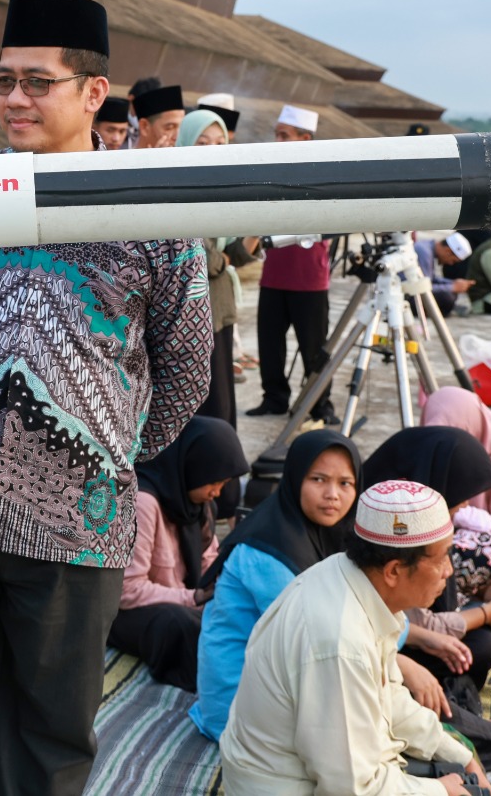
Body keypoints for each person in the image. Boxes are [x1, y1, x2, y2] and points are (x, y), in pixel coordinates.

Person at [0, 0, 212, 796]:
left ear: (94, 94)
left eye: (38, 82)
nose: (15, 99)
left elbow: (188, 364)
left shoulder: (154, 211)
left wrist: (103, 452)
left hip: (80, 532)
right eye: (3, 81)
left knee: (53, 741)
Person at [220, 480, 484, 795]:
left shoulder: (348, 576)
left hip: (306, 770)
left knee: (457, 770)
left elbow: (388, 696)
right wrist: (442, 790)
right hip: (287, 786)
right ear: (394, 571)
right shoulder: (341, 644)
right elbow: (351, 789)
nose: (449, 571)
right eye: (441, 558)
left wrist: (459, 753)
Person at [363, 428, 491, 757]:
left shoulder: (411, 523)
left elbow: (404, 622)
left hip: (394, 640)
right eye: (458, 498)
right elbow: (372, 630)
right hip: (376, 656)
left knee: (477, 649)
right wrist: (401, 662)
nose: (463, 507)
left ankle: (471, 725)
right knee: (409, 699)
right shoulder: (383, 532)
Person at [190, 430, 360, 741]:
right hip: (237, 711)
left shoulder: (323, 531)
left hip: (270, 689)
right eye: (318, 479)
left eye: (345, 483)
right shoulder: (269, 549)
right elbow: (317, 639)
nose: (333, 494)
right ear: (295, 479)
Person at [110, 416, 249, 691]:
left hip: (178, 599)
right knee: (181, 625)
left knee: (230, 619)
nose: (217, 492)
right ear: (193, 467)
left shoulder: (198, 505)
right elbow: (126, 590)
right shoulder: (144, 503)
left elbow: (210, 560)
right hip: (128, 613)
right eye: (214, 482)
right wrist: (192, 598)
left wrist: (220, 588)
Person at [247, 104, 335, 422]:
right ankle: (274, 398)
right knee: (270, 344)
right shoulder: (270, 170)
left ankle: (320, 402)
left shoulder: (323, 174)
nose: (278, 140)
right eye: (277, 135)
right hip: (274, 274)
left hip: (309, 277)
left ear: (305, 138)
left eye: (285, 136)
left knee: (314, 347)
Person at [179, 108, 262, 426]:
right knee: (204, 404)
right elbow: (209, 260)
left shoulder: (222, 191)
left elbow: (238, 254)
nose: (212, 152)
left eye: (219, 143)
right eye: (202, 143)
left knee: (222, 399)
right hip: (195, 315)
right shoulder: (181, 192)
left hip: (221, 311)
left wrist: (257, 225)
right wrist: (224, 258)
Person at [419, 389, 491, 598]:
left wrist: (457, 512)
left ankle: (468, 599)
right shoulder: (425, 451)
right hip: (435, 551)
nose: (445, 448)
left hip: (489, 557)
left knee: (487, 549)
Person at [414, 232, 475, 315]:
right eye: (453, 261)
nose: (450, 264)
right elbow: (423, 288)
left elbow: (430, 279)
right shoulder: (425, 253)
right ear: (448, 251)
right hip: (407, 294)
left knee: (451, 294)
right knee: (447, 297)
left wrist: (453, 283)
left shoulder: (428, 248)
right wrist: (452, 287)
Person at [132, 83, 186, 149]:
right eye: (170, 128)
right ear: (144, 126)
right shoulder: (123, 158)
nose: (177, 137)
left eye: (182, 128)